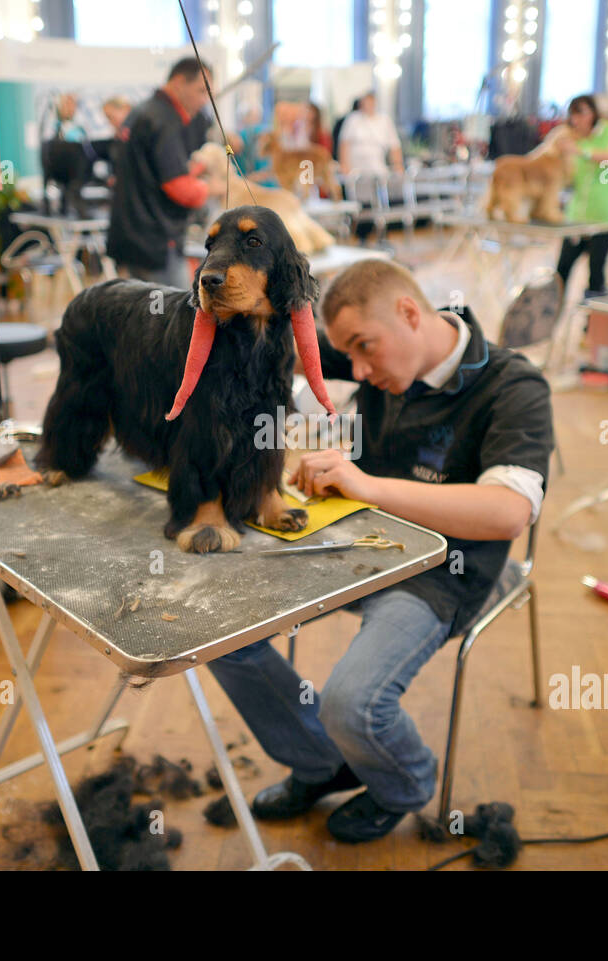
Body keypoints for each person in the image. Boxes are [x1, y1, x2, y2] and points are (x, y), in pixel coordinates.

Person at [205, 258, 554, 843]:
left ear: (410, 314)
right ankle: (319, 762)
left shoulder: (513, 386)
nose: (358, 370)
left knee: (352, 703)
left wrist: (366, 485)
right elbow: (283, 332)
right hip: (356, 542)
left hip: (444, 571)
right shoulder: (374, 346)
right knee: (217, 631)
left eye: (365, 350)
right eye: (350, 355)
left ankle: (405, 783)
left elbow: (508, 511)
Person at [106, 57, 213, 288]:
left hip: (131, 237)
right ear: (178, 82)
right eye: (201, 91)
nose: (204, 100)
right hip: (155, 242)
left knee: (140, 315)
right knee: (172, 317)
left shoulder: (141, 112)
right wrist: (215, 188)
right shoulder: (164, 120)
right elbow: (179, 188)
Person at [554, 94, 608, 296]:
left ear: (594, 113)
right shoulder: (574, 138)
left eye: (582, 113)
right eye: (573, 114)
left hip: (606, 217)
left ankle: (593, 326)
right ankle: (550, 318)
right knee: (561, 272)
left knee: (596, 274)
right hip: (577, 217)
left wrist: (580, 151)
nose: (577, 119)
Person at [337, 92, 403, 178]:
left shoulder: (385, 120)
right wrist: (344, 165)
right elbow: (344, 143)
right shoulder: (353, 119)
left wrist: (398, 165)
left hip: (377, 167)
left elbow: (394, 145)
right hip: (355, 169)